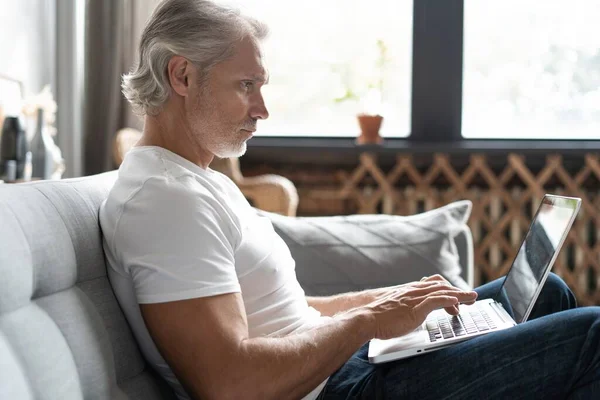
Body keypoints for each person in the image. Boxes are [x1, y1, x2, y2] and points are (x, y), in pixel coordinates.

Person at [99, 0, 600, 399]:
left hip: (342, 366)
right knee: (592, 334)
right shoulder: (163, 202)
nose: (263, 109)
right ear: (182, 77)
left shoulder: (197, 180)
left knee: (548, 291)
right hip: (339, 389)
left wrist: (385, 301)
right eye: (246, 86)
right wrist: (370, 321)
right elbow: (232, 384)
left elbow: (280, 313)